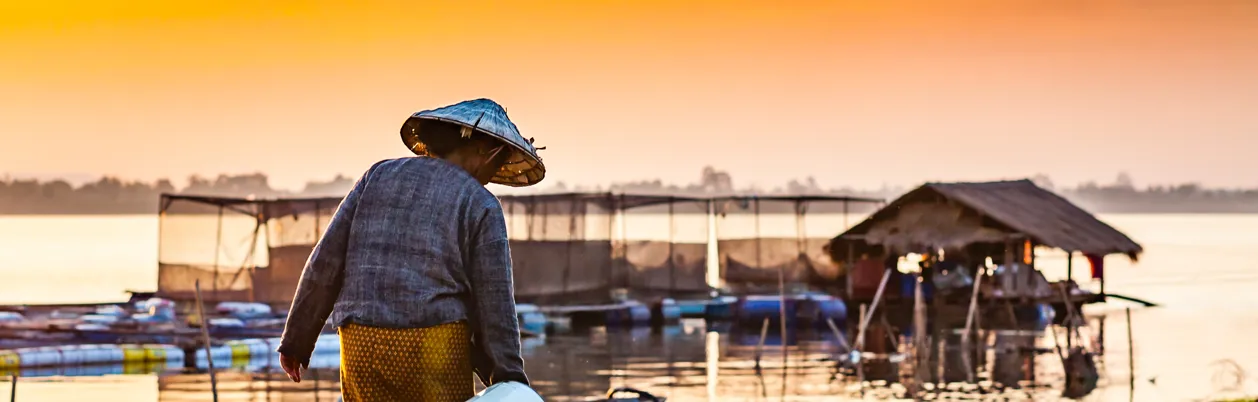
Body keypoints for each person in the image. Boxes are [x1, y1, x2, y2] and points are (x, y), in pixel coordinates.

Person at [276, 98, 546, 401]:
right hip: (431, 348)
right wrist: (509, 382)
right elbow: (494, 300)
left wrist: (296, 342)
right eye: (499, 161)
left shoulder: (376, 176)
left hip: (360, 345)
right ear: (484, 150)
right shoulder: (481, 203)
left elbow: (325, 263)